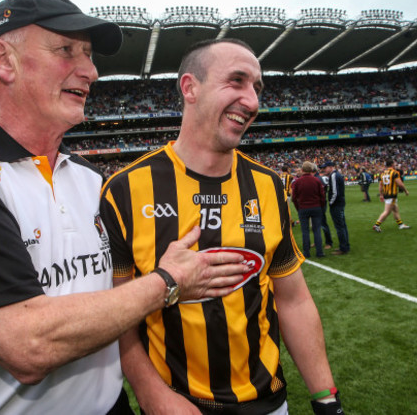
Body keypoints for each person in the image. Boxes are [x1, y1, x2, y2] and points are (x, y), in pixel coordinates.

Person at [0, 0, 251, 414]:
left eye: (90, 55)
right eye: (66, 50)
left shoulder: (92, 181)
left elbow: (117, 305)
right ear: (3, 60)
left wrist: (150, 389)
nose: (91, 70)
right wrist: (167, 282)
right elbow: (26, 345)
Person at [100, 38, 344, 415]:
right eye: (236, 81)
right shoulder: (124, 191)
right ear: (190, 87)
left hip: (268, 405)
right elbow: (118, 317)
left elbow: (293, 299)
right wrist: (152, 394)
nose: (252, 101)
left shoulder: (268, 186)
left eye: (257, 88)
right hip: (175, 405)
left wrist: (325, 397)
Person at [291, 161, 327, 259]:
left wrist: (298, 208)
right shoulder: (316, 181)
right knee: (317, 230)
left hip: (303, 208)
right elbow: (322, 196)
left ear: (302, 170)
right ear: (312, 170)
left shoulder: (297, 182)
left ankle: (306, 252)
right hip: (316, 208)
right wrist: (321, 207)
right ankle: (319, 252)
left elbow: (294, 198)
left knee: (305, 231)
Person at [320, 161, 350, 255]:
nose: (324, 170)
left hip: (336, 204)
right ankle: (345, 246)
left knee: (339, 226)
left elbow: (335, 192)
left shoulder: (333, 175)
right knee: (342, 225)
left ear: (331, 167)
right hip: (340, 203)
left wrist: (331, 202)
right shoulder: (336, 175)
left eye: (325, 168)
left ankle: (343, 248)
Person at [373, 158, 410, 232]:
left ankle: (401, 225)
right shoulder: (394, 172)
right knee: (387, 211)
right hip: (392, 195)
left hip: (386, 194)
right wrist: (406, 191)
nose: (395, 164)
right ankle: (377, 225)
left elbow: (380, 185)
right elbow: (400, 184)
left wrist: (381, 195)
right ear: (392, 164)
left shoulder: (382, 174)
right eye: (394, 163)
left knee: (395, 210)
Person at [315, 165, 334, 251]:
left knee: (323, 224)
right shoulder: (318, 178)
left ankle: (328, 242)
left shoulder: (318, 178)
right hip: (318, 204)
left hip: (320, 204)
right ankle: (317, 240)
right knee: (317, 224)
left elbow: (322, 192)